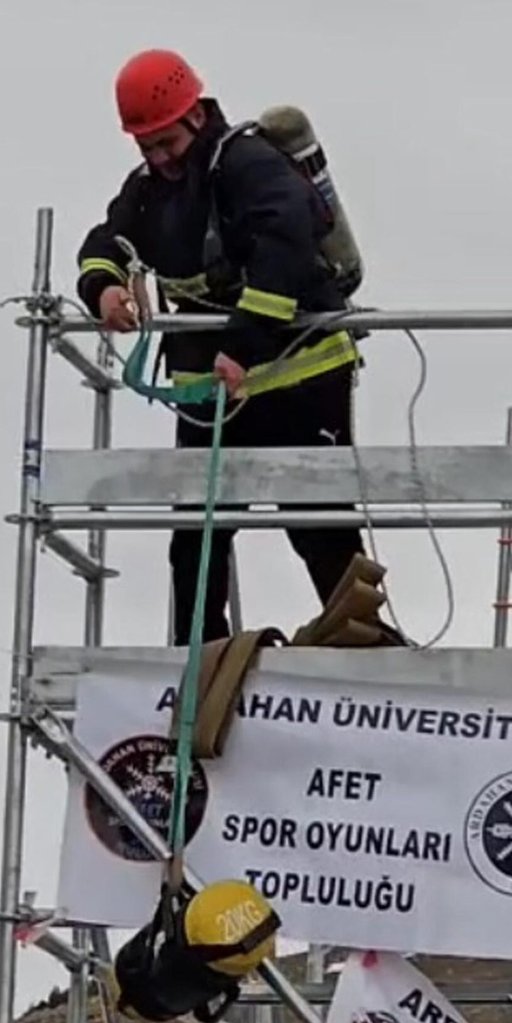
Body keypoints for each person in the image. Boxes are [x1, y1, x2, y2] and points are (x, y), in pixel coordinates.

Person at [75, 49, 371, 646]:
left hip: (299, 373)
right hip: (209, 388)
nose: (158, 160)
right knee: (196, 541)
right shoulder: (147, 190)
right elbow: (106, 240)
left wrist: (243, 343)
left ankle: (366, 653)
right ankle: (198, 665)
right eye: (146, 148)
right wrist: (103, 289)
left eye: (166, 145)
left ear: (194, 118)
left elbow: (285, 241)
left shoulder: (249, 164)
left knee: (319, 527)